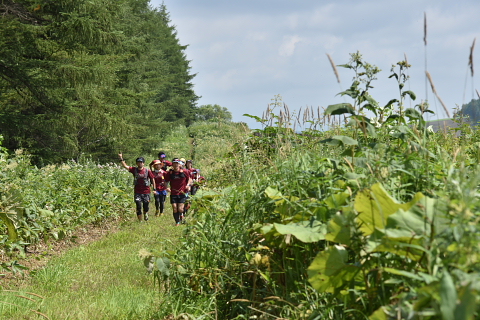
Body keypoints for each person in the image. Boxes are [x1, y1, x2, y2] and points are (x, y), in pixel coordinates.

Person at [118, 153, 155, 221]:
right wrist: (121, 158)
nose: (140, 163)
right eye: (138, 162)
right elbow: (125, 166)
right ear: (136, 163)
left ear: (143, 163)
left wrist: (154, 188)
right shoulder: (134, 170)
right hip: (137, 191)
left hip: (146, 191)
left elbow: (152, 179)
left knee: (146, 206)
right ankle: (140, 221)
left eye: (141, 162)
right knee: (138, 206)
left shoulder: (147, 171)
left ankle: (145, 213)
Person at [165, 158, 192, 226]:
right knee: (174, 208)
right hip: (173, 193)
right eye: (174, 163)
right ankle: (177, 222)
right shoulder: (170, 173)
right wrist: (167, 187)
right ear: (172, 164)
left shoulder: (184, 171)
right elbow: (166, 181)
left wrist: (188, 185)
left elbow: (190, 179)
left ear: (179, 164)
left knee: (180, 209)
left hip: (182, 193)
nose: (176, 165)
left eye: (177, 163)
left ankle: (184, 214)